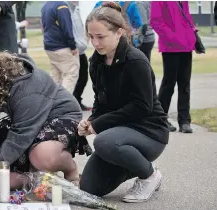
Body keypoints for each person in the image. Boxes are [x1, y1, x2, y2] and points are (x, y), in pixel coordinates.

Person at [0, 51, 92, 189]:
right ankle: (44, 179)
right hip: (25, 129)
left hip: (58, 116)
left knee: (43, 156)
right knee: (8, 182)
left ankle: (70, 169)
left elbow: (20, 135)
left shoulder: (25, 88)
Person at [78, 2, 169, 203]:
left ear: (119, 33)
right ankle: (137, 165)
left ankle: (149, 176)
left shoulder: (136, 61)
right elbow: (100, 100)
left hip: (149, 132)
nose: (95, 43)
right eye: (91, 37)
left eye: (100, 37)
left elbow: (142, 107)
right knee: (89, 187)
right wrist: (91, 120)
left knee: (103, 141)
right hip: (119, 135)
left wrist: (99, 125)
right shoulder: (96, 61)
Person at [150, 1, 196, 133]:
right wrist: (173, 38)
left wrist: (192, 33)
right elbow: (155, 21)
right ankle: (160, 118)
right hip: (171, 47)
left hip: (186, 45)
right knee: (168, 83)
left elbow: (186, 16)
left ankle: (185, 120)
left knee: (185, 84)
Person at [41, 1, 80, 94]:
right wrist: (73, 46)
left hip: (50, 46)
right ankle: (63, 103)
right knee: (70, 74)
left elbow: (43, 27)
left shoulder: (45, 6)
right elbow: (66, 27)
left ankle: (51, 103)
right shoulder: (61, 6)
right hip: (62, 46)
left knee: (56, 77)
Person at [67, 1, 92, 111]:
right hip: (73, 50)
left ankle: (77, 99)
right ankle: (72, 102)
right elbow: (68, 30)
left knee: (83, 77)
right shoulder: (66, 9)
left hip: (81, 50)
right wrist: (73, 46)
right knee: (74, 78)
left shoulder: (76, 10)